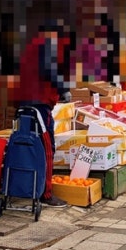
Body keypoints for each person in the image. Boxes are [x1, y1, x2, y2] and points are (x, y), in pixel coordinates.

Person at [16, 21, 73, 206]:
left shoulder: (32, 44)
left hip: (26, 103)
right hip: (39, 105)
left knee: (28, 147)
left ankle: (28, 187)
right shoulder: (48, 43)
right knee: (47, 149)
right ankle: (46, 194)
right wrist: (63, 89)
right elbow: (49, 68)